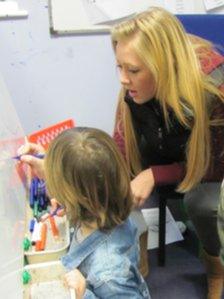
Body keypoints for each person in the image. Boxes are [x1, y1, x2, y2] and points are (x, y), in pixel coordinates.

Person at [111, 7, 224, 299]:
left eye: (133, 70)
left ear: (164, 65)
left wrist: (155, 174)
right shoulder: (132, 88)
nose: (123, 79)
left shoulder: (213, 88)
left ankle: (215, 267)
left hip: (211, 167)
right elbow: (121, 146)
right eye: (119, 67)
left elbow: (215, 165)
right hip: (171, 150)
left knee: (201, 201)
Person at [19, 127, 150, 299]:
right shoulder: (103, 206)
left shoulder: (109, 273)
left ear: (74, 196)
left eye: (52, 178)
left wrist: (84, 294)